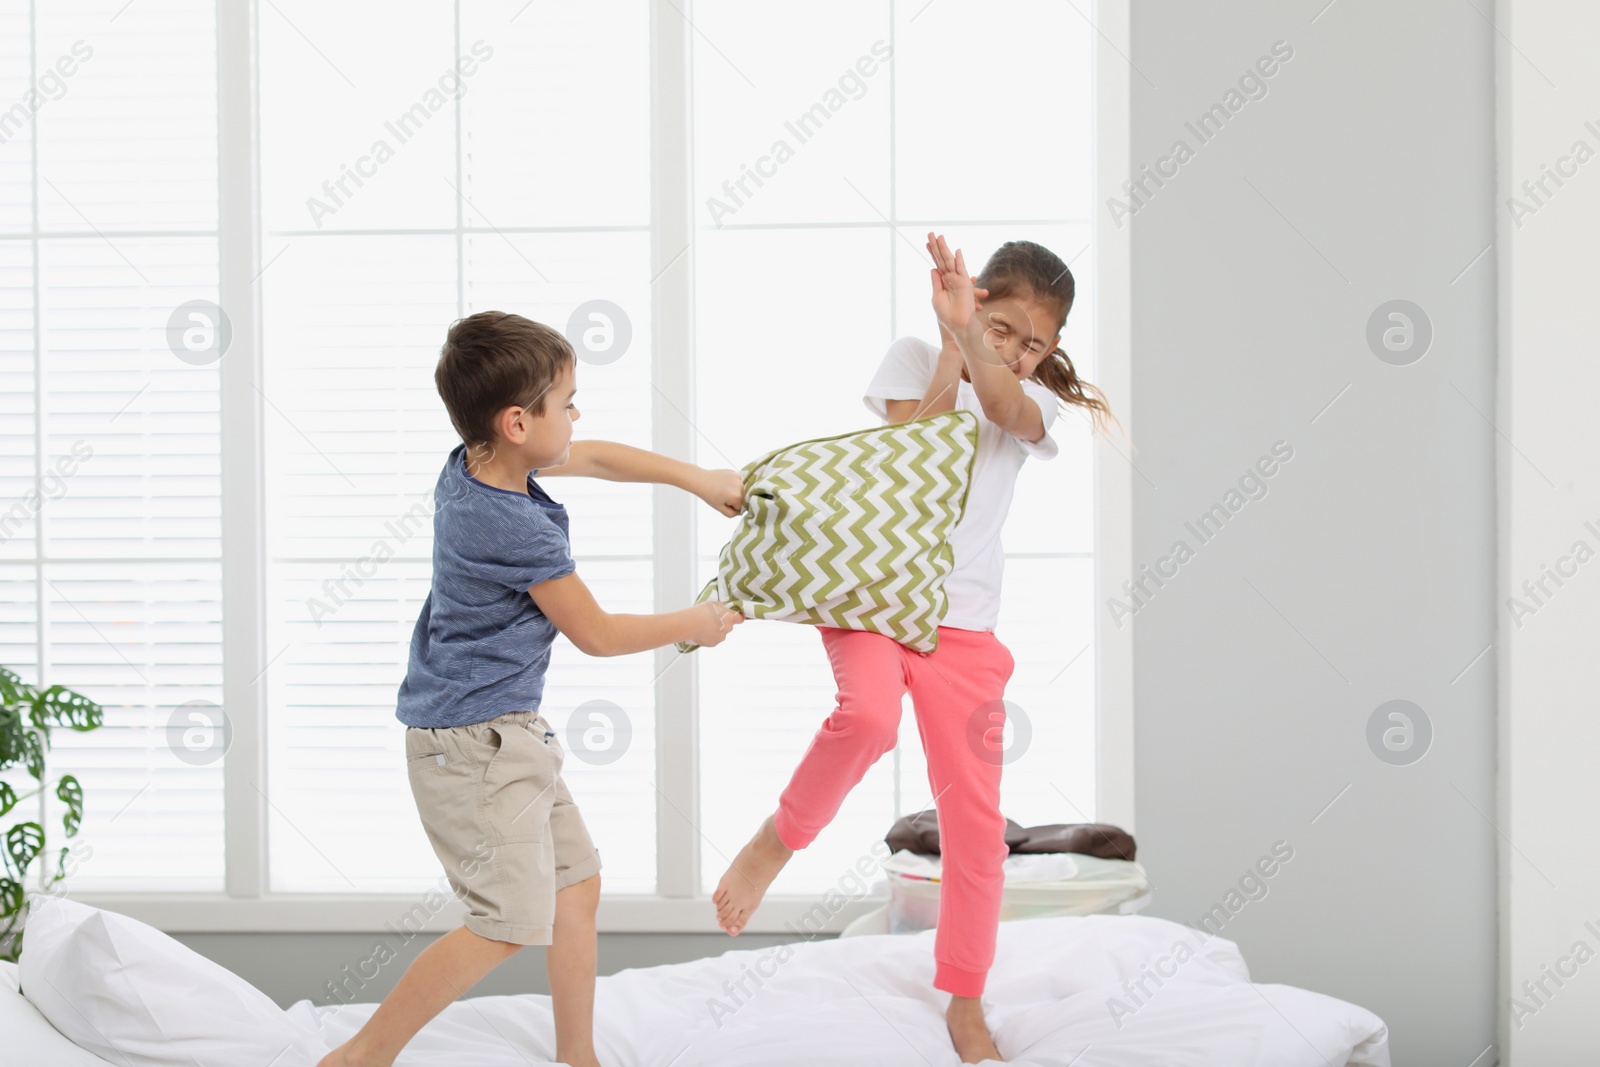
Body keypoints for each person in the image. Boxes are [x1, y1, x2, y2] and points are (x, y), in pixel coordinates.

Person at [712, 234, 1118, 1063]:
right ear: (976, 304)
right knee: (866, 718)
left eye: (1035, 343)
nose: (1015, 350)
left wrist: (979, 343)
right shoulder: (913, 357)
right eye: (1003, 327)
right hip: (873, 600)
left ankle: (964, 1000)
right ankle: (774, 842)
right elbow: (909, 454)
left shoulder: (1031, 402)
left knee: (975, 824)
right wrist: (950, 341)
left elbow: (1001, 406)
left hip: (963, 629)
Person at [319, 310, 744, 1067]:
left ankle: (577, 1055)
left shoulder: (476, 462)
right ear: (518, 421)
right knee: (504, 921)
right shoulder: (514, 526)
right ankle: (359, 1055)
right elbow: (599, 634)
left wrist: (694, 478)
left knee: (575, 886)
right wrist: (701, 620)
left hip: (503, 734)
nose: (578, 417)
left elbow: (599, 459)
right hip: (475, 746)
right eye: (568, 402)